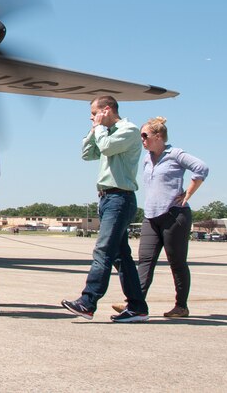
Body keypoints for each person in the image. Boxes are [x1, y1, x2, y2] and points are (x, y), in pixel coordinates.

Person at [61, 95, 149, 322]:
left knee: (103, 251)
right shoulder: (104, 133)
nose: (91, 118)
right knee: (121, 257)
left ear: (106, 110)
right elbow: (87, 154)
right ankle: (137, 307)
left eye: (94, 113)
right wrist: (94, 130)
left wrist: (99, 129)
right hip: (107, 199)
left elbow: (107, 149)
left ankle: (88, 302)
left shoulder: (128, 130)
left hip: (120, 198)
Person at [111, 116, 208, 318]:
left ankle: (181, 306)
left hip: (174, 215)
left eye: (145, 135)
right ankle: (135, 303)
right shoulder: (147, 158)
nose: (142, 140)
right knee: (145, 260)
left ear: (158, 136)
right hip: (151, 215)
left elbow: (201, 168)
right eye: (141, 136)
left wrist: (188, 193)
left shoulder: (175, 154)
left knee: (177, 262)